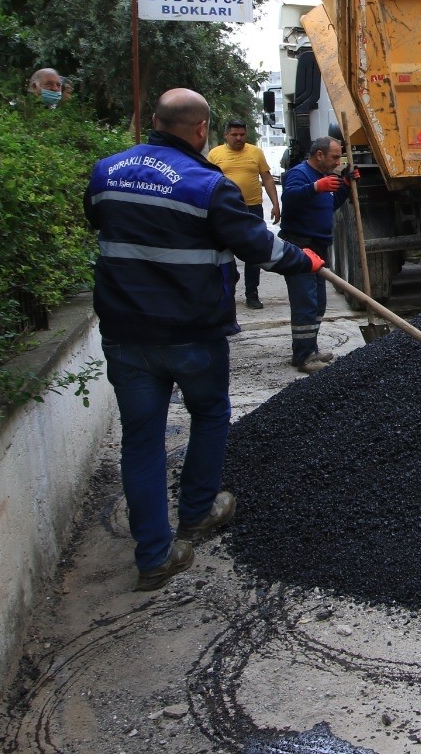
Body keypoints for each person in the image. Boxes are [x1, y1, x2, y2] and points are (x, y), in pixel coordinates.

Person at [84, 89, 324, 591]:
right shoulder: (206, 185)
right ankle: (197, 511)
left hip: (126, 332)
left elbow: (102, 223)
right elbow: (257, 245)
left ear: (154, 120)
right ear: (201, 130)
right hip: (191, 331)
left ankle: (154, 555)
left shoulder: (105, 173)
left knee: (141, 438)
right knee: (211, 413)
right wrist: (306, 261)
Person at [279, 135, 355, 372]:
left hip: (319, 248)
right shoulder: (300, 174)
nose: (337, 162)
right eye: (334, 157)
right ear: (319, 155)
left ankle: (309, 349)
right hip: (300, 247)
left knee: (319, 303)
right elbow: (289, 199)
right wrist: (314, 188)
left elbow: (327, 206)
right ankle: (303, 356)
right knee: (306, 302)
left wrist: (345, 185)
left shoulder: (324, 177)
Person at [208, 119, 283, 310]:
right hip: (225, 210)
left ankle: (252, 295)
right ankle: (227, 292)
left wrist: (275, 204)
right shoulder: (215, 154)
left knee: (254, 253)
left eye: (242, 134)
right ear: (226, 135)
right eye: (234, 135)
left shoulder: (255, 152)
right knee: (224, 251)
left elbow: (266, 178)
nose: (239, 138)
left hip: (252, 209)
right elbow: (207, 181)